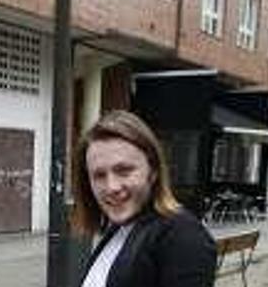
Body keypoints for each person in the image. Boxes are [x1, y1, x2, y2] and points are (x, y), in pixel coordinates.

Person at [73, 110, 216, 287]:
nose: (112, 187)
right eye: (99, 175)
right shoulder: (120, 228)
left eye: (124, 171)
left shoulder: (182, 237)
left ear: (153, 171)